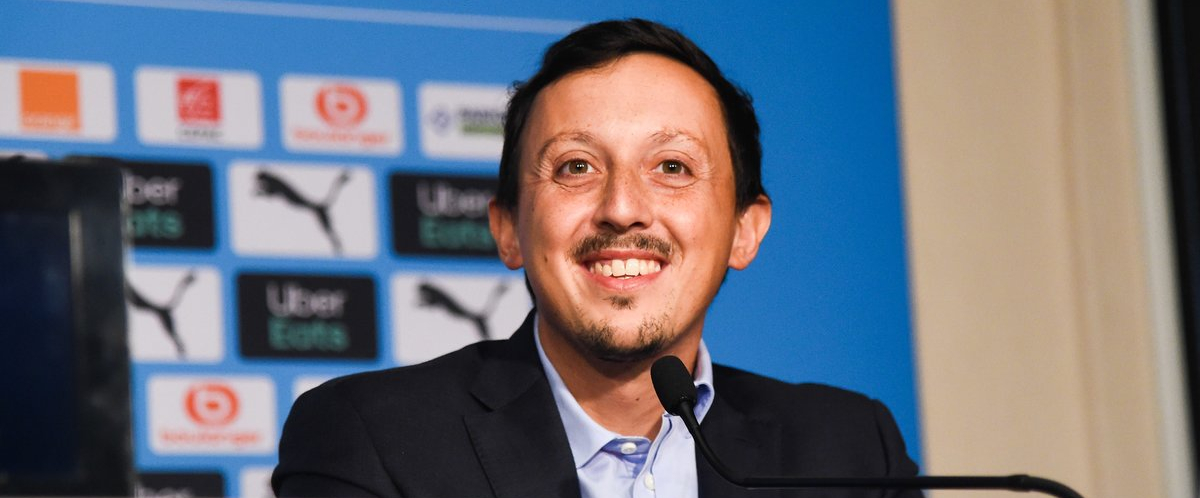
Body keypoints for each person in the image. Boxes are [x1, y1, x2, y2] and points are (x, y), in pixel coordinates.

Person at [273, 18, 920, 498]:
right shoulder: (373, 438)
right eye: (576, 167)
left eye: (672, 167)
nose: (622, 208)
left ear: (745, 231)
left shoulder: (851, 449)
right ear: (508, 230)